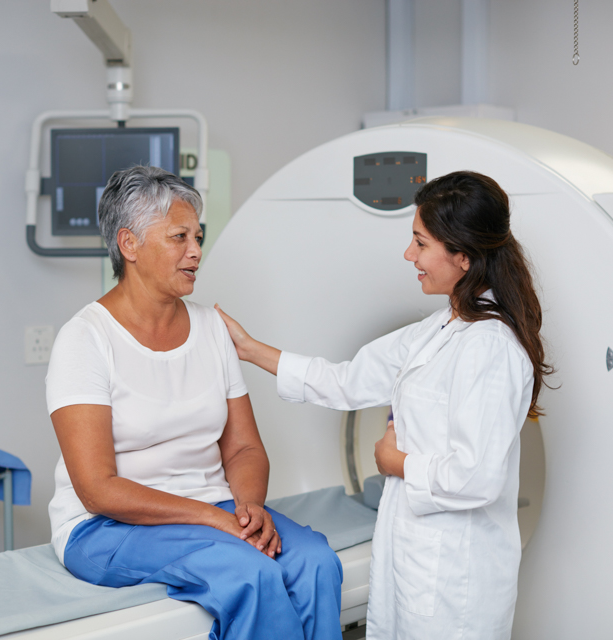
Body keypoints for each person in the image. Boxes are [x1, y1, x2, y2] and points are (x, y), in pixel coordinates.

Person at [216, 170, 553, 640]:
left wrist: (396, 462)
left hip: (455, 577)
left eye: (420, 243)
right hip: (415, 559)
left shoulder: (490, 347)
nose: (408, 254)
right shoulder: (440, 329)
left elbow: (478, 477)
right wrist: (250, 349)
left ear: (462, 256)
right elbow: (346, 381)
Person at [45, 165, 342, 640]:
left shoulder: (211, 329)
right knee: (251, 574)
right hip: (105, 527)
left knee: (315, 561)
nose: (196, 251)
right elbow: (98, 489)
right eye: (179, 237)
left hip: (214, 507)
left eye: (198, 237)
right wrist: (216, 519)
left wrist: (248, 509)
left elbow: (243, 448)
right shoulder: (85, 339)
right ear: (129, 244)